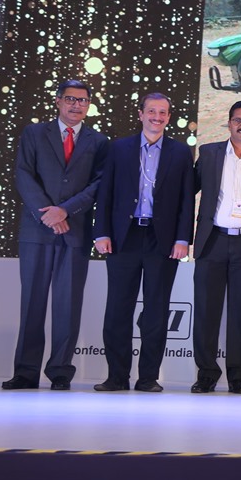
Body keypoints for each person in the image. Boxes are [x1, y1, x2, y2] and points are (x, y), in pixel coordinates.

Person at [4, 80, 109, 391]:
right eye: (71, 99)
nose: (77, 105)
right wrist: (47, 214)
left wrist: (65, 211)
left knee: (68, 304)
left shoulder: (98, 141)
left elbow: (98, 184)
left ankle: (61, 371)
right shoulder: (34, 133)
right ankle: (25, 372)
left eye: (83, 100)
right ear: (58, 101)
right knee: (32, 302)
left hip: (74, 232)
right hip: (37, 230)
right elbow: (24, 174)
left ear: (89, 105)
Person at [93, 92, 194, 392]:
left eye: (163, 112)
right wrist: (101, 232)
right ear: (140, 114)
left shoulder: (180, 152)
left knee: (156, 311)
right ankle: (116, 377)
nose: (157, 117)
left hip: (161, 240)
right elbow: (105, 193)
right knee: (117, 310)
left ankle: (148, 377)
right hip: (123, 238)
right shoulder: (118, 148)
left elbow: (186, 199)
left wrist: (182, 238)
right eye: (152, 111)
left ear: (169, 117)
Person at [191, 100, 241, 394]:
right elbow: (188, 192)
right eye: (238, 120)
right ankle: (206, 374)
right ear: (229, 123)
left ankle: (238, 375)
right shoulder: (209, 153)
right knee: (206, 311)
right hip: (213, 240)